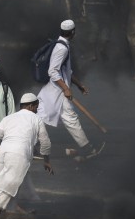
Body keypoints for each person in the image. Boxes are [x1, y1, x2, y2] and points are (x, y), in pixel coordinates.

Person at [37, 20, 101, 160]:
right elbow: (53, 71)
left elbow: (66, 71)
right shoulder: (62, 48)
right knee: (68, 118)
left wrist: (79, 85)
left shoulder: (62, 45)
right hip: (56, 91)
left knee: (40, 117)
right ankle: (87, 148)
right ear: (72, 32)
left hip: (53, 89)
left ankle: (34, 147)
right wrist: (66, 88)